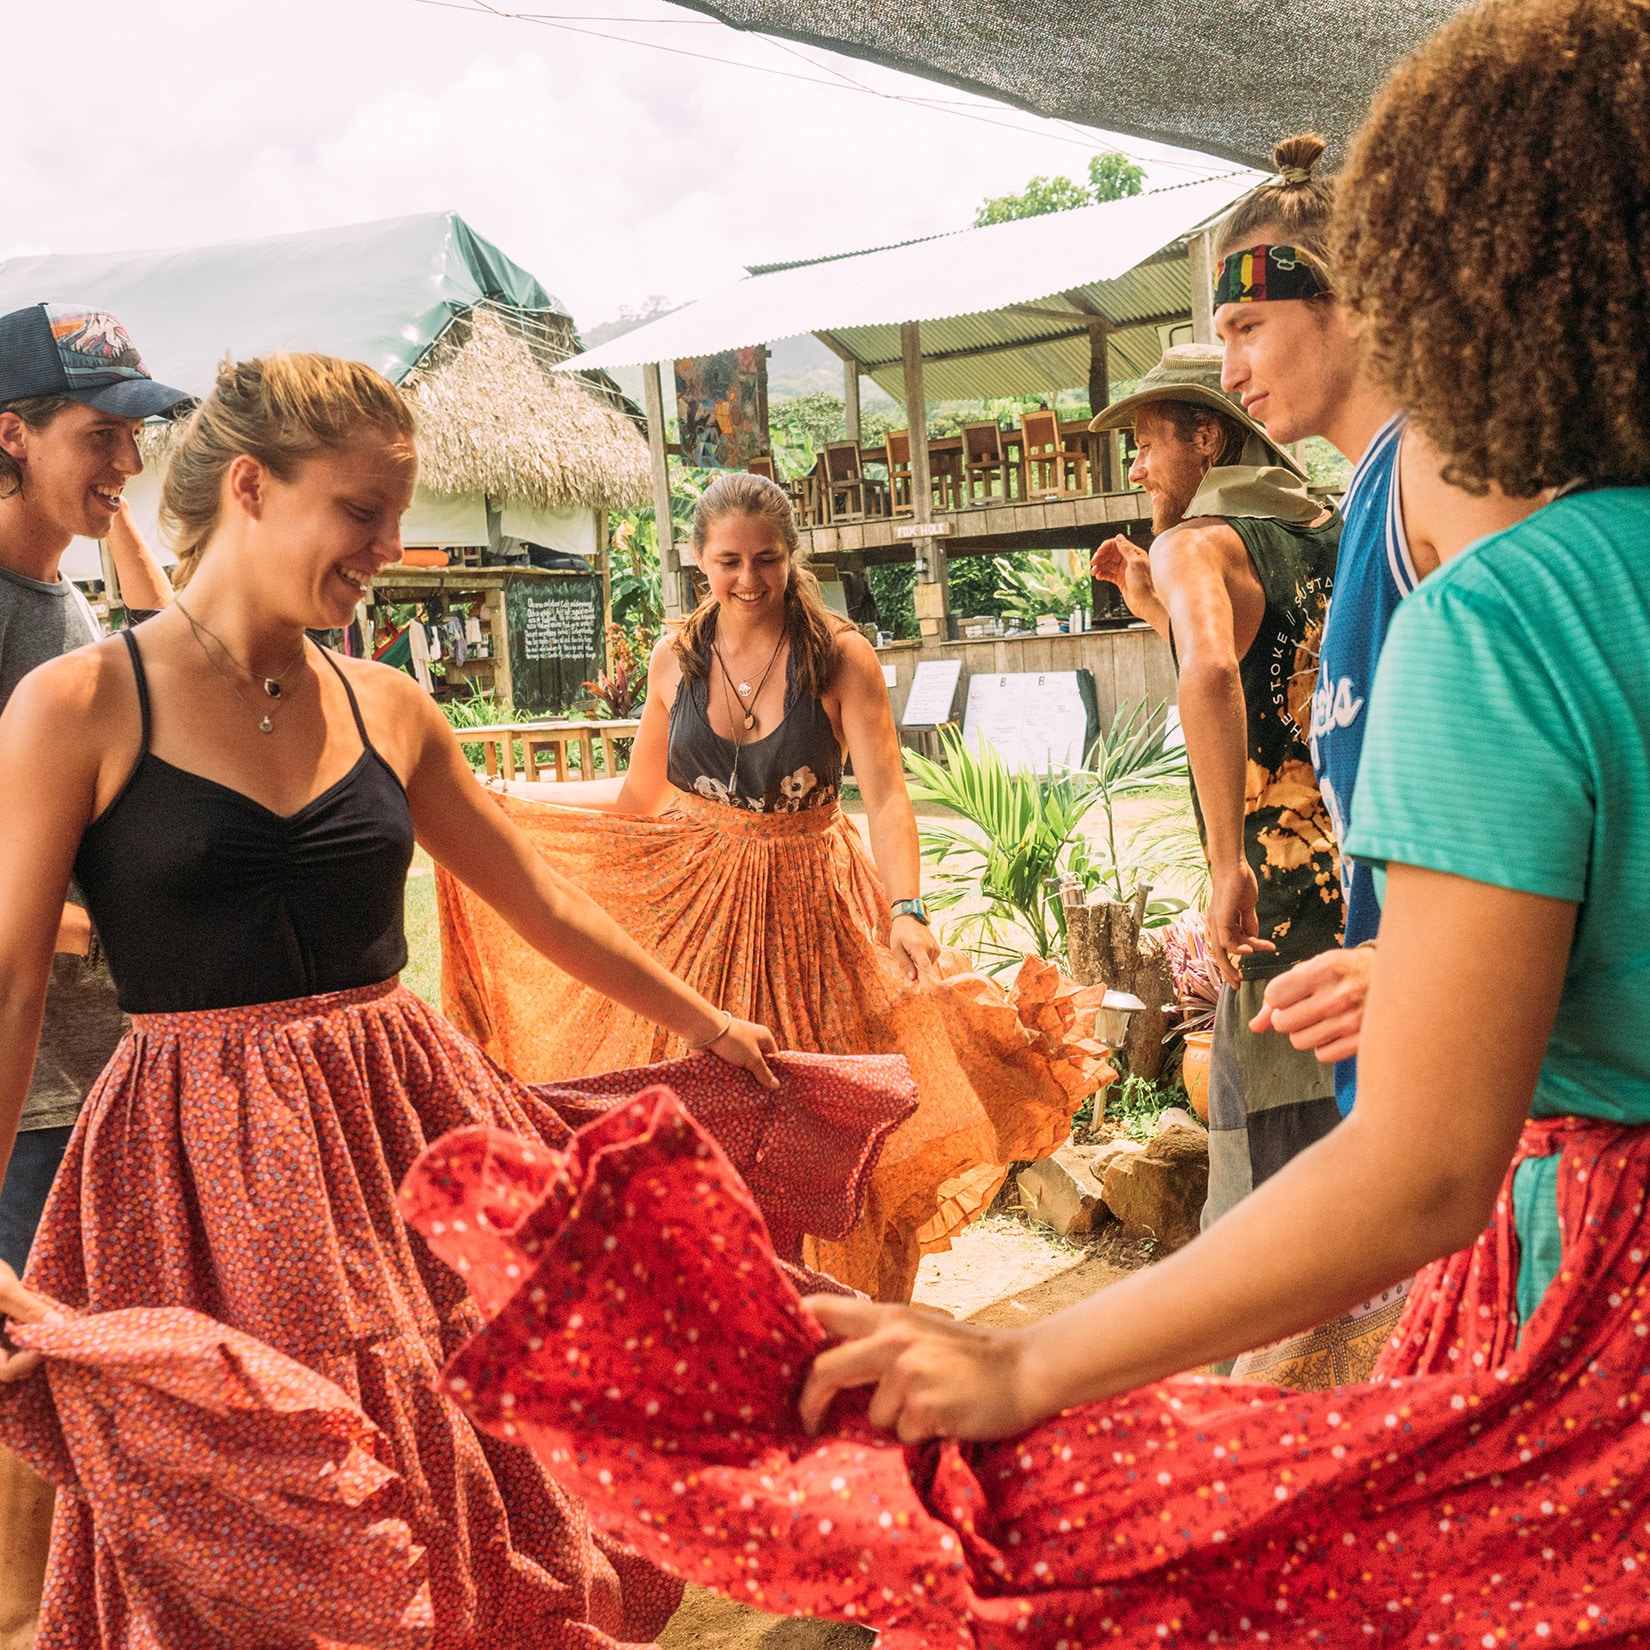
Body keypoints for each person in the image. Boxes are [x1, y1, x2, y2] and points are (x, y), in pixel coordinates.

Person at [378, 3, 1650, 1638]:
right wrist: (1445, 980)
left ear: (1455, 278)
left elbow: (1419, 1175)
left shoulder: (1505, 619)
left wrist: (1028, 1360)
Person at [0, 352, 785, 1647]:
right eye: (361, 510)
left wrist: (706, 1022)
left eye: (396, 510)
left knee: (467, 1469)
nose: (390, 543)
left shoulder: (389, 706)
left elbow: (542, 901)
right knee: (259, 1510)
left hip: (404, 1140)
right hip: (199, 1180)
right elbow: (14, 979)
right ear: (252, 487)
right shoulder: (80, 705)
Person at [436, 472, 1108, 1301]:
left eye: (767, 560)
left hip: (811, 912)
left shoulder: (839, 656)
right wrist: (508, 806)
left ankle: (834, 1323)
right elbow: (639, 800)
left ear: (792, 558)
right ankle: (711, 1324)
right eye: (728, 562)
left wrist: (906, 907)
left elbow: (888, 794)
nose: (748, 580)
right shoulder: (674, 657)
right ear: (696, 560)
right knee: (691, 1104)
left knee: (817, 1118)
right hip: (695, 909)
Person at [1211, 137, 1544, 1117]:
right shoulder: (1369, 495)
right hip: (1419, 1037)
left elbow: (1550, 745)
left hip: (1487, 1061)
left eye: (1247, 327)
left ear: (1350, 301)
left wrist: (1407, 962)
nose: (1230, 370)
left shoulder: (1440, 466)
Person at [1088, 348, 1344, 1243]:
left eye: (1151, 443)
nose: (1138, 466)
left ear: (1208, 435)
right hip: (1366, 888)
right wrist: (1151, 599)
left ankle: (1289, 1370)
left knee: (1277, 1181)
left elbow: (1210, 674)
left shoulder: (1194, 543)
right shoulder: (1330, 526)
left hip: (1272, 902)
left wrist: (1223, 859)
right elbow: (1272, 660)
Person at [0, 304, 184, 1280]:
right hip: (26, 1098)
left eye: (136, 434)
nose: (129, 459)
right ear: (12, 434)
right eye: (100, 435)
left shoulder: (61, 600)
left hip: (101, 1065)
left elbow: (174, 662)